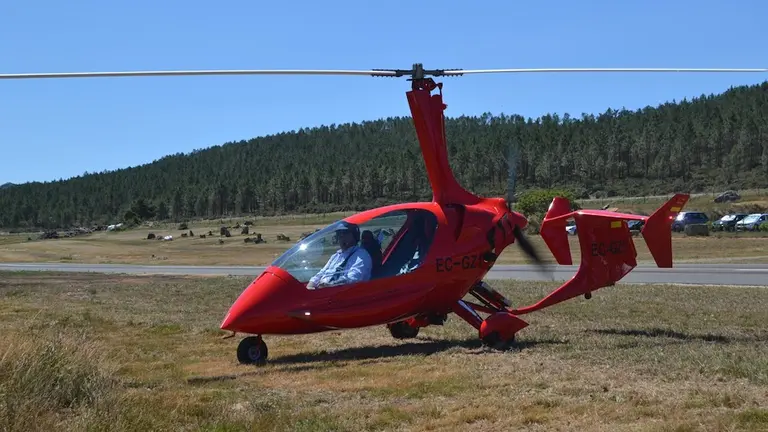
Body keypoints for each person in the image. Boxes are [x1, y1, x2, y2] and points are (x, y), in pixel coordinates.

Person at [307, 221, 372, 289]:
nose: (341, 237)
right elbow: (321, 273)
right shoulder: (336, 256)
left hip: (341, 294)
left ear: (354, 235)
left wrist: (328, 285)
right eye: (339, 234)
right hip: (323, 290)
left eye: (344, 233)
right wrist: (310, 285)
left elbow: (353, 279)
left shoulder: (361, 255)